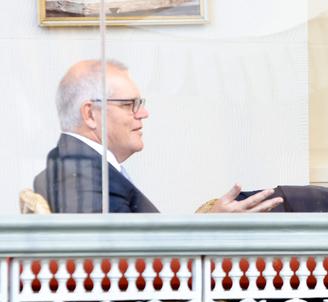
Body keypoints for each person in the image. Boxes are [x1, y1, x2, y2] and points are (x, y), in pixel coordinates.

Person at [35, 60, 283, 213]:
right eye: (129, 104)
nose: (143, 113)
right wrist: (213, 231)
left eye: (140, 103)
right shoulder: (83, 176)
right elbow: (131, 264)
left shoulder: (76, 165)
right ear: (90, 114)